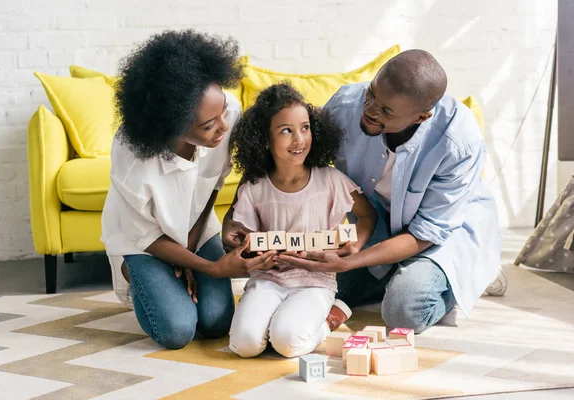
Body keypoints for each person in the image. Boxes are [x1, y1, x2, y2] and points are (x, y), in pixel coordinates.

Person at [223, 49, 502, 334]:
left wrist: (351, 263)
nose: (369, 111)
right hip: (379, 228)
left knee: (403, 312)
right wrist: (233, 213)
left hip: (441, 236)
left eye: (385, 111)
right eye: (371, 95)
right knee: (308, 280)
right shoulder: (346, 105)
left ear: (421, 116)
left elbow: (426, 232)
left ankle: (465, 276)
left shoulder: (459, 142)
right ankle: (391, 274)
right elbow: (287, 152)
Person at [101, 30, 274, 350]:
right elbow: (147, 236)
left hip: (196, 227)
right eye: (209, 125)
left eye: (223, 113)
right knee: (177, 331)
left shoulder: (225, 111)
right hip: (144, 240)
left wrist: (191, 253)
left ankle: (169, 278)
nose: (224, 126)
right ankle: (133, 273)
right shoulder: (133, 158)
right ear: (173, 126)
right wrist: (211, 267)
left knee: (216, 323)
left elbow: (211, 188)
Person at [227, 83, 377, 358]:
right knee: (244, 346)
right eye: (286, 130)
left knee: (287, 344)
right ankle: (278, 321)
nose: (299, 139)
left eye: (305, 128)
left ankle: (331, 318)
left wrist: (355, 246)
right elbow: (246, 241)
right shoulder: (254, 187)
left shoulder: (331, 180)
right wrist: (248, 249)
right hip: (268, 279)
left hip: (315, 282)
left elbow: (368, 214)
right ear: (265, 138)